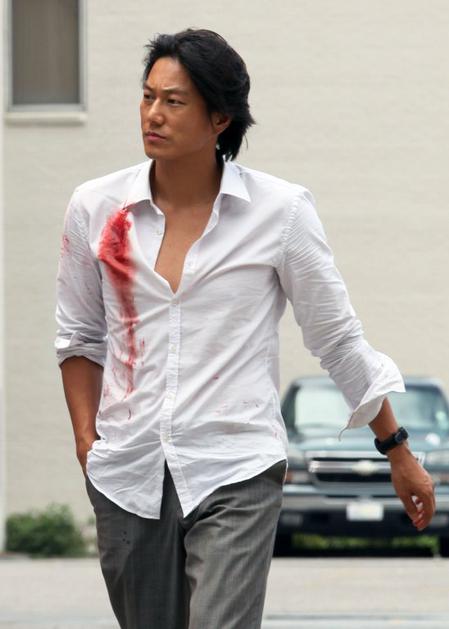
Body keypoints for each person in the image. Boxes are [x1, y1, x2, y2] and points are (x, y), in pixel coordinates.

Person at [55, 28, 435, 629]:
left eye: (174, 101)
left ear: (220, 118)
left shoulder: (279, 213)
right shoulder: (95, 209)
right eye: (148, 96)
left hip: (235, 466)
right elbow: (79, 335)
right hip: (127, 472)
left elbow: (336, 337)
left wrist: (397, 448)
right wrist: (86, 440)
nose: (153, 114)